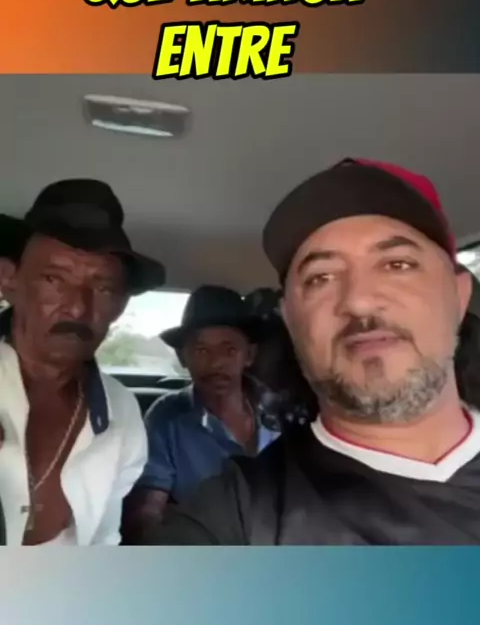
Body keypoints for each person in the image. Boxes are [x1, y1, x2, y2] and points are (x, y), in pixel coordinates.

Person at [155, 158, 480, 545]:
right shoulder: (235, 515)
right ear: (289, 319)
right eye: (320, 278)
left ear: (460, 296)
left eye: (398, 264)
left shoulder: (269, 408)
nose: (359, 301)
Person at [0, 178, 165, 546]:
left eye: (103, 288)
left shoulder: (122, 413)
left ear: (120, 306)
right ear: (9, 281)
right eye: (53, 279)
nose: (77, 308)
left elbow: (104, 538)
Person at [122, 285, 279, 544]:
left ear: (249, 355)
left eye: (229, 350)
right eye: (201, 350)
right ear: (182, 357)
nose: (216, 363)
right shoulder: (166, 418)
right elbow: (147, 510)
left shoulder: (282, 411)